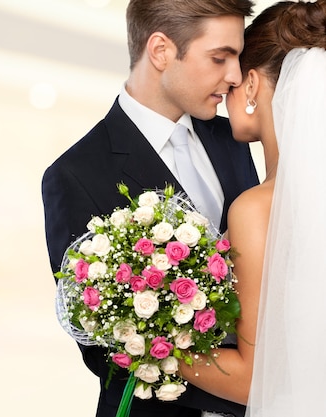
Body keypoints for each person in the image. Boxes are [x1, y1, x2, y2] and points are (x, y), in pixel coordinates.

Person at [41, 1, 260, 416]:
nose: (234, 77)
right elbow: (100, 346)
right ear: (161, 50)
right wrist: (247, 385)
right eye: (220, 57)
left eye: (238, 57)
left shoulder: (230, 138)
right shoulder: (75, 174)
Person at [176, 1, 326, 415]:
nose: (226, 88)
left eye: (236, 76)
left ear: (255, 85)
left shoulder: (259, 209)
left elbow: (255, 378)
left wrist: (150, 338)